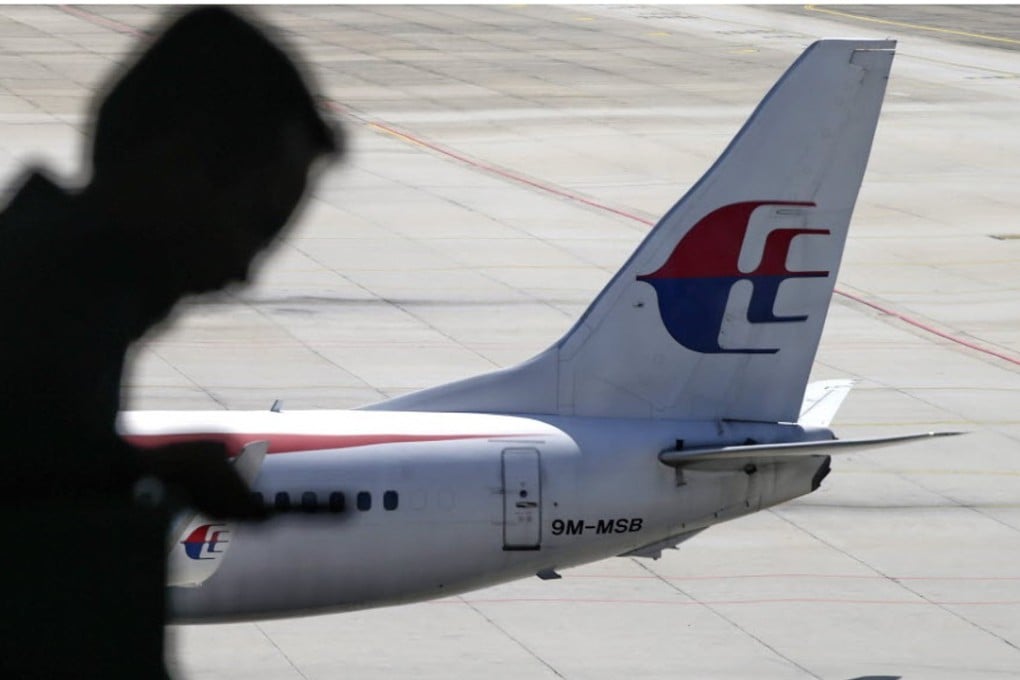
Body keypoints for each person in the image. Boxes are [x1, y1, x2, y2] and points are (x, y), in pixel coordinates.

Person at [0, 7, 340, 677]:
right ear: (179, 168)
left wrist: (127, 469)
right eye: (257, 220)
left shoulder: (49, 293)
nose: (244, 272)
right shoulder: (49, 327)